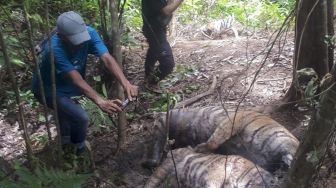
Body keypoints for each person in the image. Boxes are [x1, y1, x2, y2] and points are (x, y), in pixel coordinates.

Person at [32, 11, 138, 155]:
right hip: (48, 89)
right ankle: (78, 151)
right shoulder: (54, 50)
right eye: (75, 40)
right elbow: (76, 79)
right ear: (62, 37)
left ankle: (66, 144)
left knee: (65, 114)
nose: (81, 43)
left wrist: (125, 83)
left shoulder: (89, 33)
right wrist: (100, 101)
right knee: (80, 118)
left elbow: (107, 59)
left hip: (65, 84)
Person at [141, 0, 184, 93]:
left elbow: (168, 5)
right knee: (168, 63)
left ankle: (147, 77)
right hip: (154, 31)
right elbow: (166, 11)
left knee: (153, 51)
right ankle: (152, 83)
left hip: (156, 30)